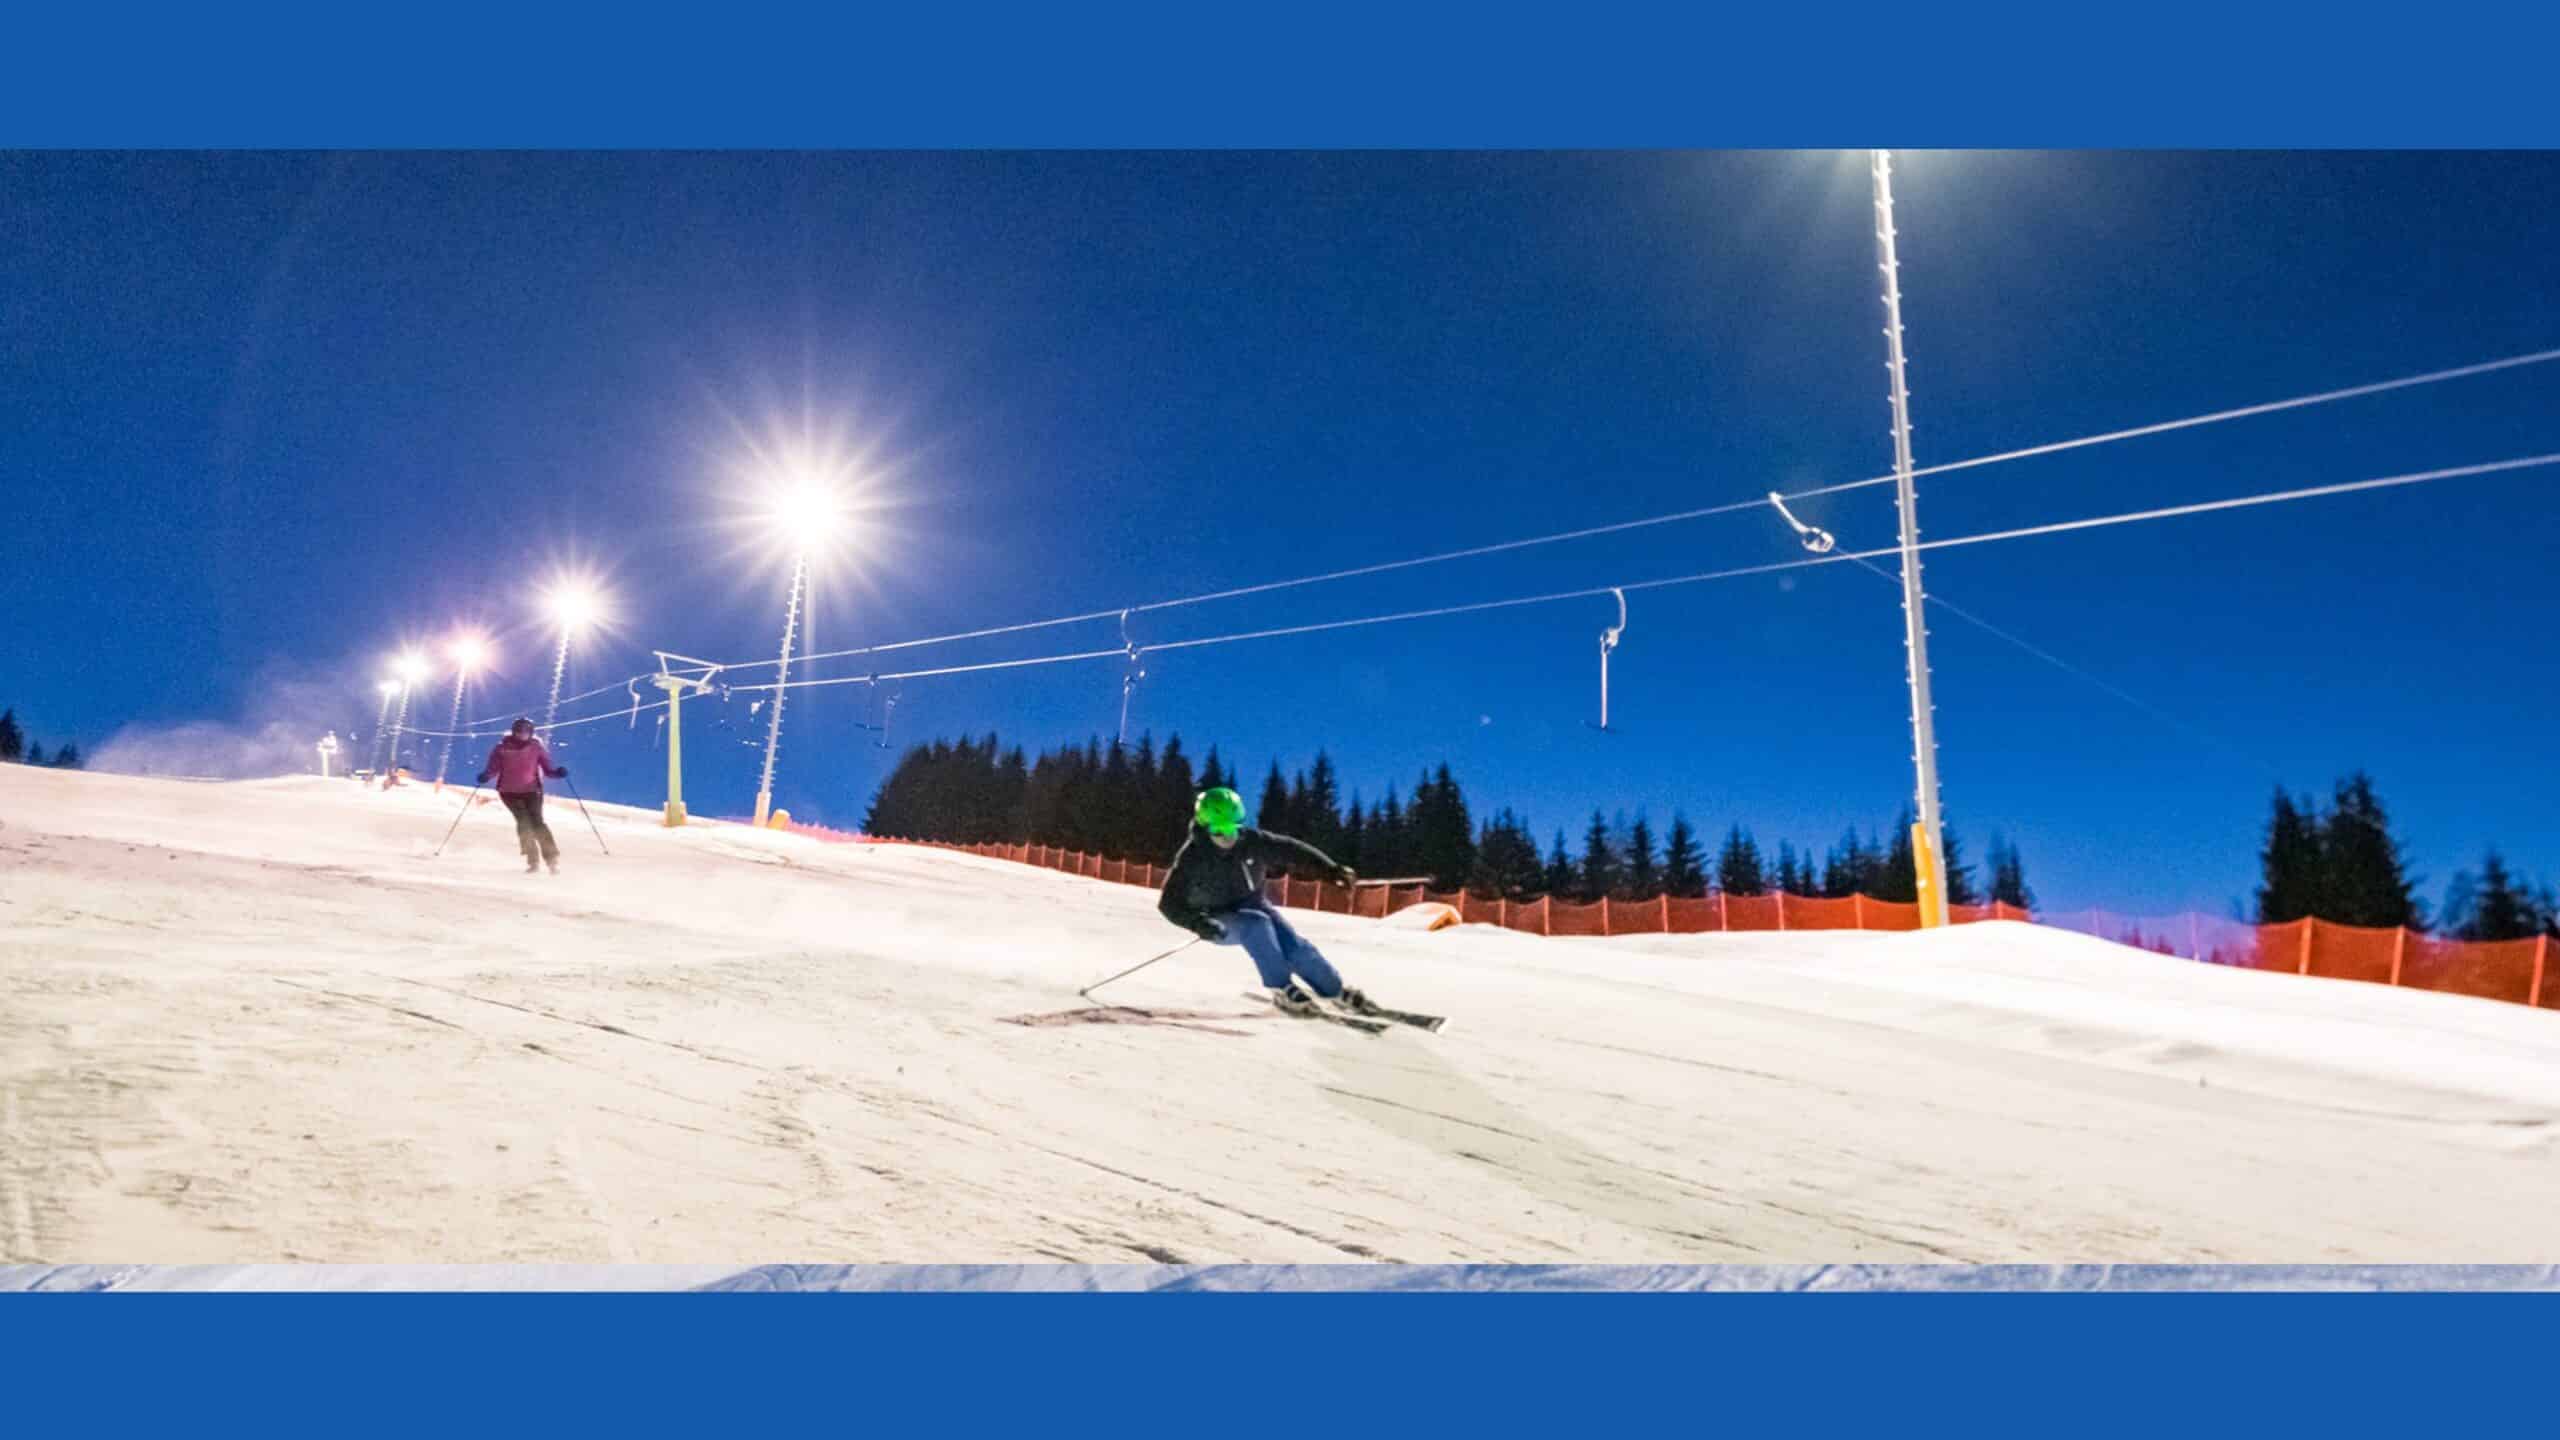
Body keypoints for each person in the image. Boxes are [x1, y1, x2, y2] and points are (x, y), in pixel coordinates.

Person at [1157, 786, 1372, 1017]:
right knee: (1256, 925)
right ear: (1204, 827)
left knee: (1294, 946)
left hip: (1253, 903)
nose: (1228, 837)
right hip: (1216, 917)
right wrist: (1197, 923)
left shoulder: (1252, 841)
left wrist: (1330, 870)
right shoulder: (1192, 857)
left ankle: (1333, 989)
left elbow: (1291, 850)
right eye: (1219, 830)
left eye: (1232, 827)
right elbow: (1168, 902)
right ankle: (1280, 987)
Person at [476, 718, 568, 873]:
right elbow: (493, 768)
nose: (522, 734)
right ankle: (533, 862)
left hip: (532, 791)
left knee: (537, 823)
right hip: (508, 792)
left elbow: (548, 770)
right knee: (524, 823)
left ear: (531, 732)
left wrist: (558, 773)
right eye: (519, 730)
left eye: (526, 731)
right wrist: (486, 776)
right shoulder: (502, 748)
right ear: (514, 731)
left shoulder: (536, 747)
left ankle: (552, 860)